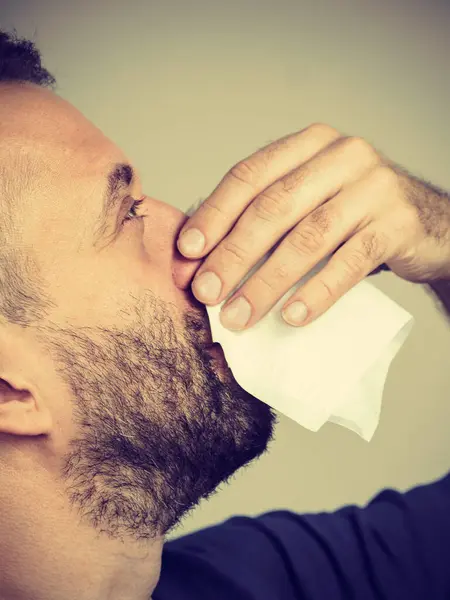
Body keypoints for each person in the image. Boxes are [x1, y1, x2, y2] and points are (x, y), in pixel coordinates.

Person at [0, 28, 448, 600]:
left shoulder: (266, 578)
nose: (196, 233)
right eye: (127, 214)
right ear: (8, 390)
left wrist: (441, 236)